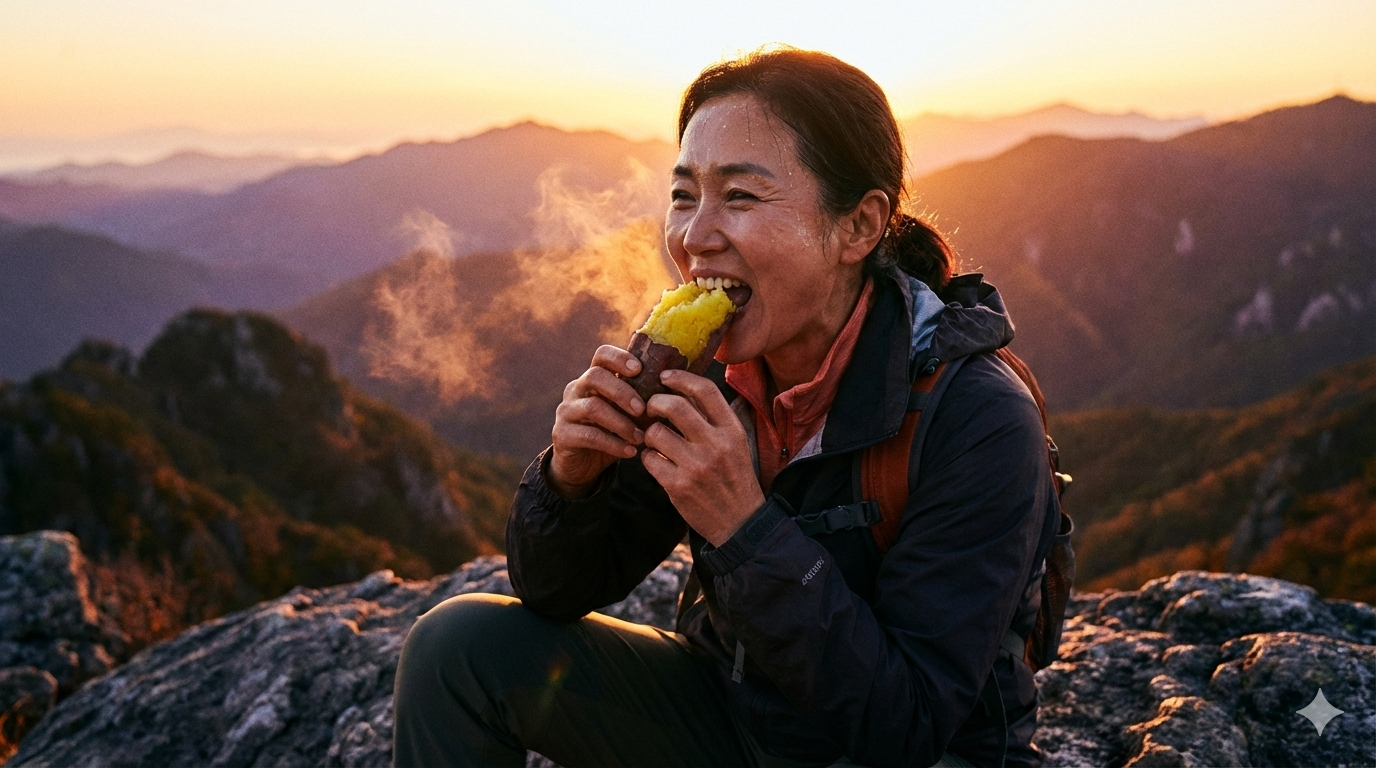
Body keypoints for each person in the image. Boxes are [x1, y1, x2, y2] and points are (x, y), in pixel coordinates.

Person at [393, 47, 1061, 768]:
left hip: (904, 752)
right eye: (685, 195)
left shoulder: (977, 418)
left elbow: (908, 726)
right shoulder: (711, 369)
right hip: (735, 719)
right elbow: (559, 591)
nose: (694, 237)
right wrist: (571, 483)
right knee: (458, 650)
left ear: (859, 228)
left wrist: (745, 530)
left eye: (740, 197)